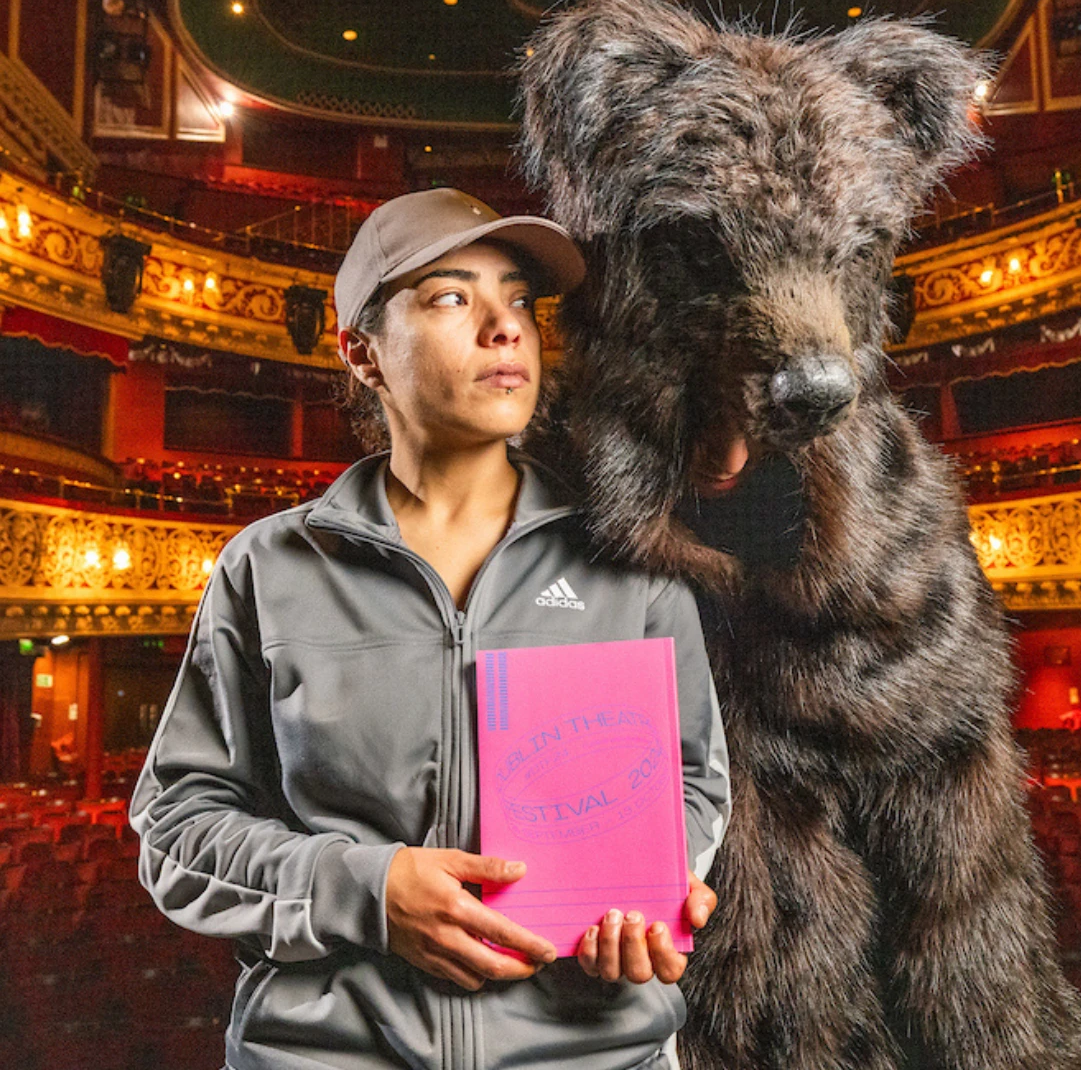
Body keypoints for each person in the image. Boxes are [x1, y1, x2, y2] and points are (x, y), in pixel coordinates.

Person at [130, 188, 731, 1070]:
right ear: (363, 353)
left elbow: (691, 784)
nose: (505, 328)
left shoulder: (630, 557)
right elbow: (179, 823)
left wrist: (644, 898)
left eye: (519, 299)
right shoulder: (267, 567)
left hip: (590, 1050)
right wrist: (367, 892)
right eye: (452, 297)